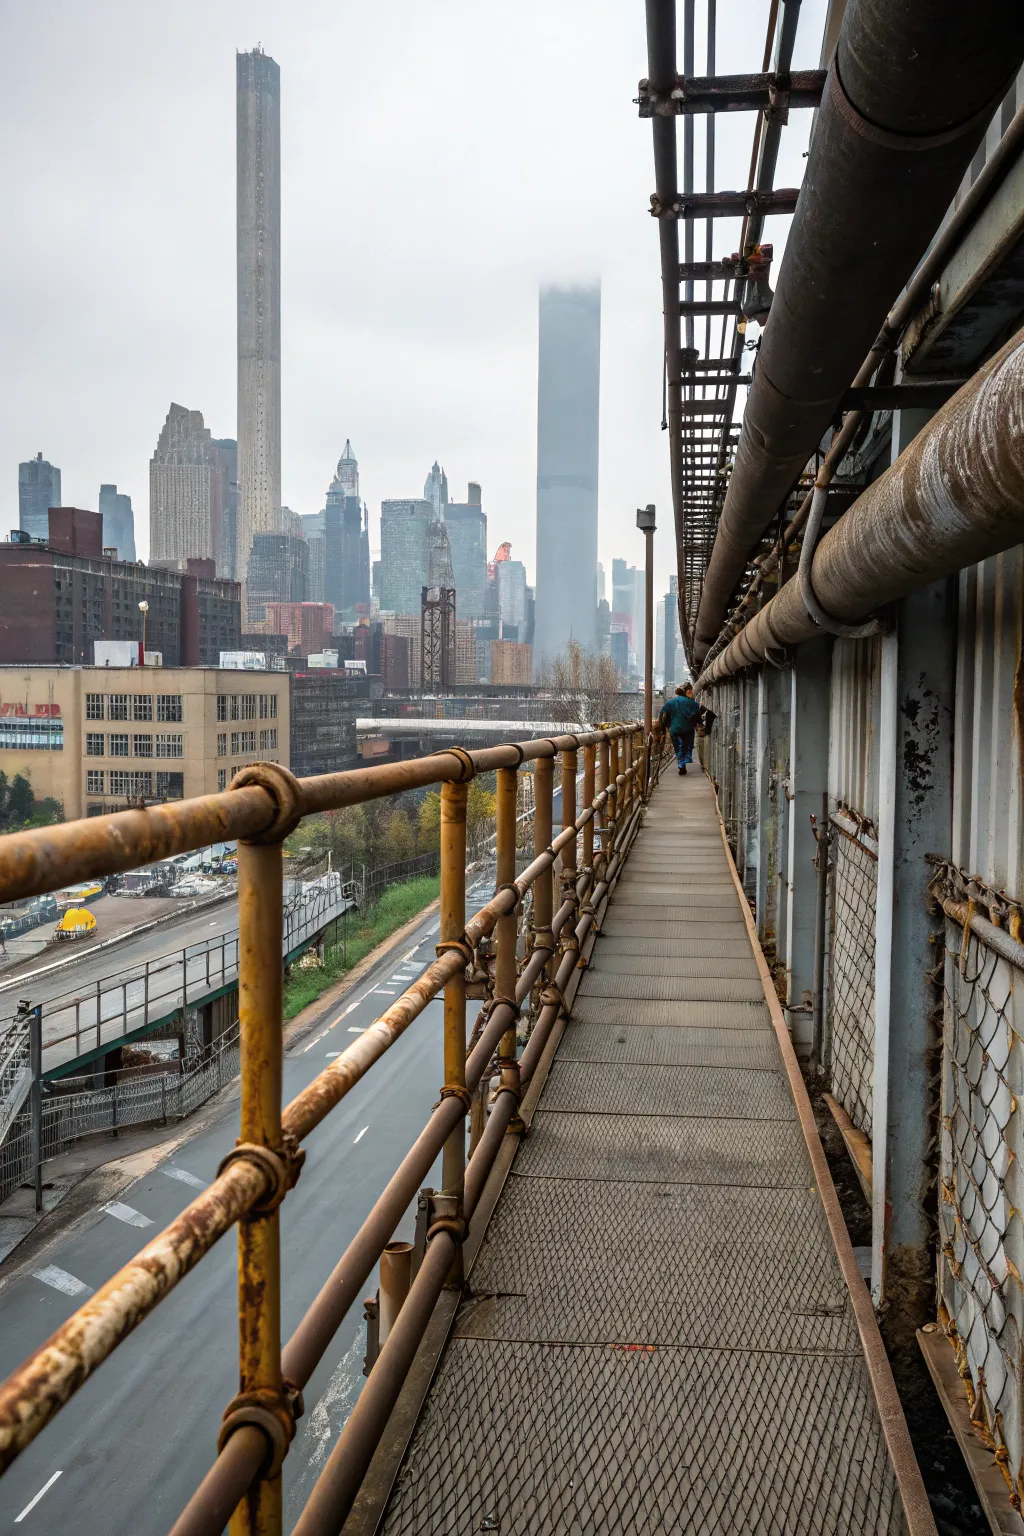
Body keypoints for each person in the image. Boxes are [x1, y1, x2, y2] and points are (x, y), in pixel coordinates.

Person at [659, 683, 701, 775]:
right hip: (688, 729)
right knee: (686, 746)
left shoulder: (671, 702)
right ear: (688, 691)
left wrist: (663, 729)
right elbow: (697, 716)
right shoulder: (693, 703)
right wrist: (699, 725)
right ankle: (683, 763)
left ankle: (681, 765)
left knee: (678, 747)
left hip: (674, 729)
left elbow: (663, 715)